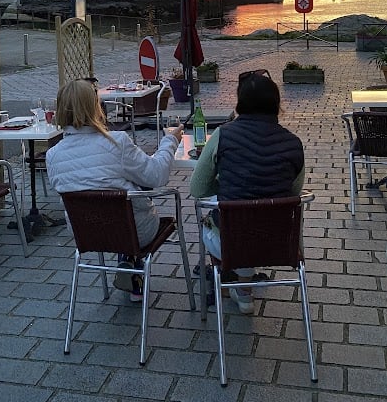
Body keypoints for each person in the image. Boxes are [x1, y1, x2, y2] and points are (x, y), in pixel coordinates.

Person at [46, 78, 183, 301]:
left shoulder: (52, 156)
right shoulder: (117, 142)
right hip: (136, 230)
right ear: (95, 106)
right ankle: (130, 264)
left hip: (86, 233)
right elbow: (157, 175)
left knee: (114, 199)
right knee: (128, 201)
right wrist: (169, 142)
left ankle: (129, 267)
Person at [189, 70, 304, 314]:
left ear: (240, 103)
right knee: (252, 213)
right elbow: (292, 194)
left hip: (231, 240)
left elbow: (197, 189)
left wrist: (227, 182)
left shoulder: (223, 135)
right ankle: (243, 290)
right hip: (278, 243)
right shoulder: (293, 143)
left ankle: (226, 280)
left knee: (217, 211)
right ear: (276, 104)